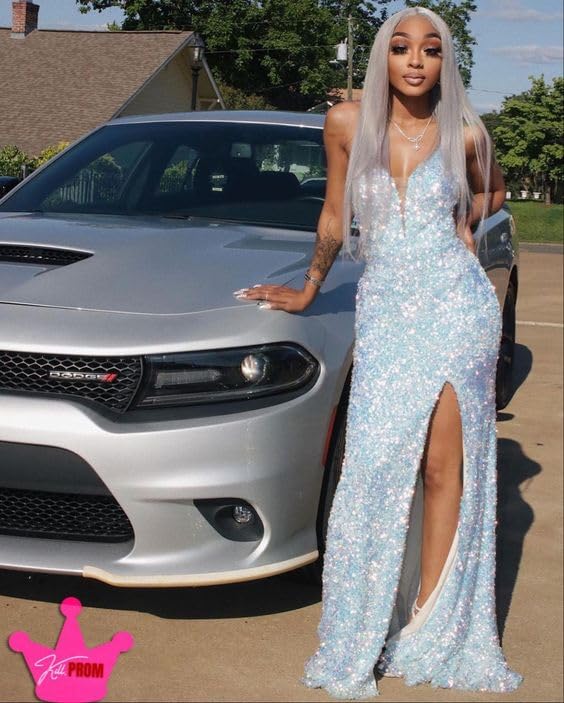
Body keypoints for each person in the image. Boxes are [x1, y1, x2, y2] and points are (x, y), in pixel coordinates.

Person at [234, 5, 523, 700]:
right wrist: (308, 288)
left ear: (444, 62)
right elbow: (335, 214)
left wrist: (464, 224)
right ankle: (360, 625)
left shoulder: (466, 131)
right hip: (388, 312)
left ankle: (429, 623)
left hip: (457, 311)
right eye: (401, 47)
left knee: (441, 468)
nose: (415, 60)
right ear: (382, 57)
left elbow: (495, 188)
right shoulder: (345, 123)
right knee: (371, 468)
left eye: (430, 49)